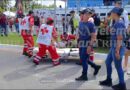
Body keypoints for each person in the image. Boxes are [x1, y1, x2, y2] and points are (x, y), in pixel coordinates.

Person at [99, 7, 127, 90]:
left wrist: (117, 51)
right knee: (108, 62)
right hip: (114, 47)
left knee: (118, 67)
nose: (110, 14)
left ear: (114, 13)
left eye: (111, 13)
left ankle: (122, 85)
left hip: (117, 47)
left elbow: (120, 38)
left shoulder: (119, 23)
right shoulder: (116, 22)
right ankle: (108, 80)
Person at [75, 9, 101, 81]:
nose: (88, 16)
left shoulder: (91, 24)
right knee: (84, 58)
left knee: (83, 59)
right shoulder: (80, 23)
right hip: (82, 43)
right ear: (82, 15)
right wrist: (79, 42)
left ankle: (84, 75)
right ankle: (95, 66)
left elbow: (93, 37)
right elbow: (80, 34)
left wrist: (90, 46)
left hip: (87, 44)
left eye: (89, 14)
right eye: (86, 14)